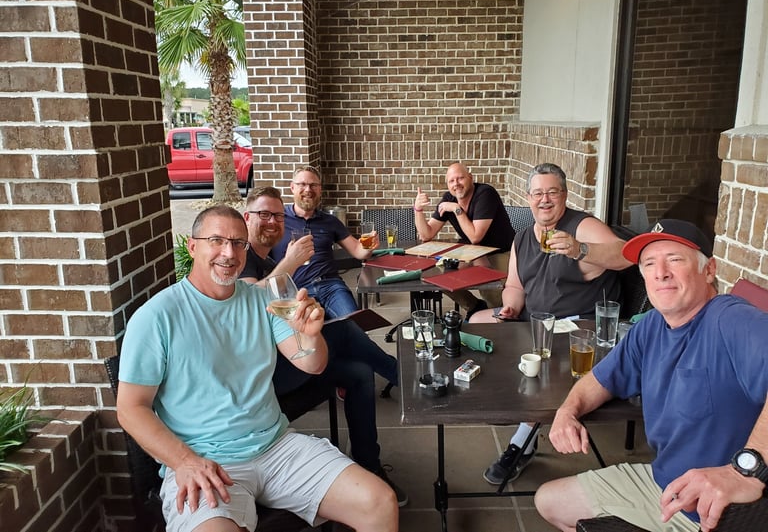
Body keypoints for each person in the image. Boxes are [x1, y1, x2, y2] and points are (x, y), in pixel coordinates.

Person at [116, 205, 398, 532]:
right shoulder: (156, 317)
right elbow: (130, 408)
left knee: (379, 503)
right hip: (205, 460)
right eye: (216, 240)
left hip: (276, 447)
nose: (229, 252)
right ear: (192, 246)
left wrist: (311, 335)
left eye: (238, 243)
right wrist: (184, 461)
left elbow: (313, 363)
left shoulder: (261, 300)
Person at [535, 219, 768, 532]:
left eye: (675, 259)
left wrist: (745, 471)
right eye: (649, 263)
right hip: (665, 484)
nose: (661, 273)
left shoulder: (729, 318)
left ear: (709, 270)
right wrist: (568, 411)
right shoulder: (652, 325)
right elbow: (601, 379)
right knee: (550, 501)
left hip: (723, 513)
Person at [239, 186, 407, 506]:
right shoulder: (242, 256)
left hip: (289, 357)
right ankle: (404, 379)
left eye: (277, 216)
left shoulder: (266, 261)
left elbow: (283, 314)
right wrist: (290, 262)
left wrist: (309, 313)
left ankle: (369, 464)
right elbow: (248, 303)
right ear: (247, 217)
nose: (273, 221)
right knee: (344, 331)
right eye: (264, 214)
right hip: (263, 376)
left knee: (359, 372)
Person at [470, 162, 631, 485]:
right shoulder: (523, 238)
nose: (544, 200)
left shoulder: (581, 226)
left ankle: (521, 443)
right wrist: (510, 308)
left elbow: (626, 254)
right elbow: (514, 286)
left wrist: (580, 249)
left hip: (576, 329)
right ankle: (508, 400)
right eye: (538, 193)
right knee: (476, 322)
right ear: (528, 198)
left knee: (541, 356)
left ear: (565, 195)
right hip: (534, 320)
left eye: (552, 192)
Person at [270, 165, 377, 319]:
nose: (308, 189)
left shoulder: (330, 221)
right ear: (292, 187)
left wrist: (368, 246)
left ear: (320, 190)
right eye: (302, 184)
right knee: (306, 330)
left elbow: (357, 251)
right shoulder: (278, 220)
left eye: (313, 185)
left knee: (355, 324)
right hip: (296, 290)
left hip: (331, 287)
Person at [413, 162, 514, 317]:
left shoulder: (485, 194)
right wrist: (418, 209)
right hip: (473, 251)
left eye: (460, 178)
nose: (456, 184)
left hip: (501, 250)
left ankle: (500, 319)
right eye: (451, 181)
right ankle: (474, 307)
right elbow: (426, 234)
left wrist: (456, 209)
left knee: (491, 292)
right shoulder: (449, 198)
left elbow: (475, 237)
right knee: (439, 277)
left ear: (470, 178)